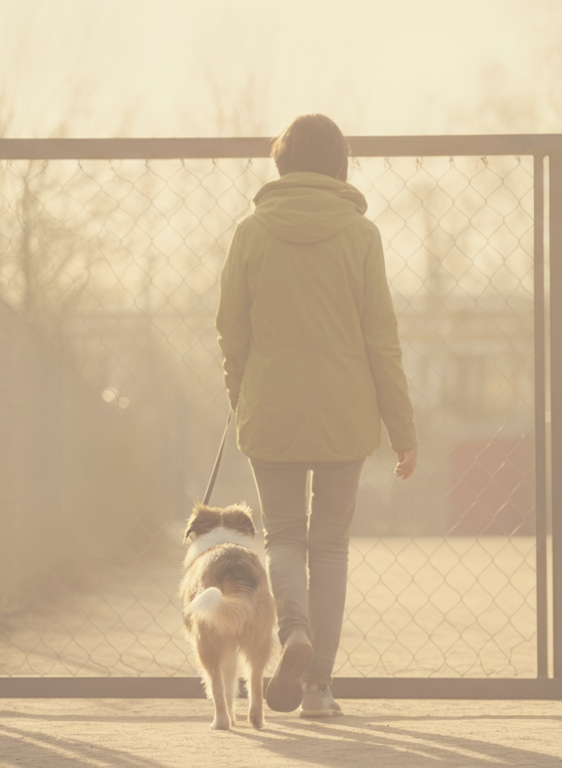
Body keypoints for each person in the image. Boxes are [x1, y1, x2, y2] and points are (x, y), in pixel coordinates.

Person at [215, 113, 418, 718]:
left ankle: (293, 633)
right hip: (344, 415)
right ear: (339, 166)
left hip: (271, 409)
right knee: (329, 544)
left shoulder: (250, 233)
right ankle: (319, 688)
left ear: (282, 164)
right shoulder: (362, 235)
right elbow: (382, 338)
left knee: (283, 535)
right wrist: (403, 430)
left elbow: (231, 330)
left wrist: (241, 391)